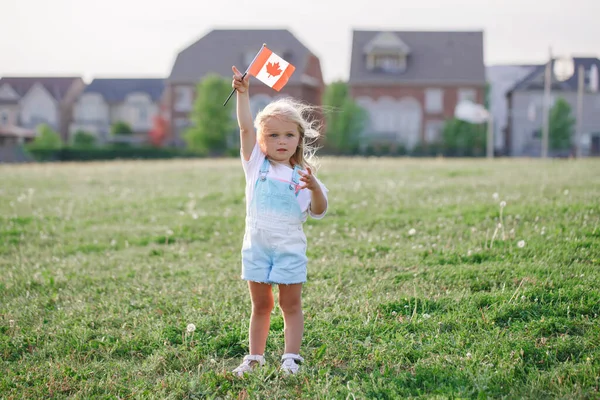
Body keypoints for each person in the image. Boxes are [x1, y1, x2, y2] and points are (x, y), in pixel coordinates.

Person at [230, 65, 329, 376]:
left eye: (289, 135)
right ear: (262, 141)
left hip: (288, 248)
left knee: (291, 305)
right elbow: (245, 128)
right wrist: (243, 95)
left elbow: (319, 210)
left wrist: (315, 189)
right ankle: (254, 357)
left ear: (299, 139)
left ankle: (291, 357)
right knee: (261, 306)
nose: (281, 141)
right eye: (273, 135)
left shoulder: (304, 176)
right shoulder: (255, 165)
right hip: (257, 247)